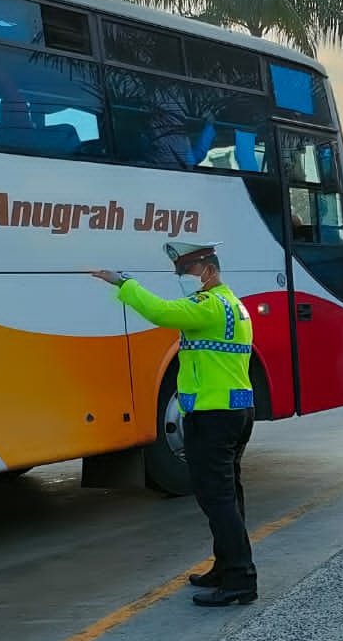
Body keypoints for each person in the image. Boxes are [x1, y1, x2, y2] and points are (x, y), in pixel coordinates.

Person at [91, 241, 259, 606]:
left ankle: (241, 579)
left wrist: (124, 284)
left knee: (218, 500)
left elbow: (161, 312)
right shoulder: (235, 305)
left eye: (187, 272)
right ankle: (228, 566)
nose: (182, 278)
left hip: (215, 417)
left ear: (208, 271)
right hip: (233, 412)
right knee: (228, 497)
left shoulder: (210, 306)